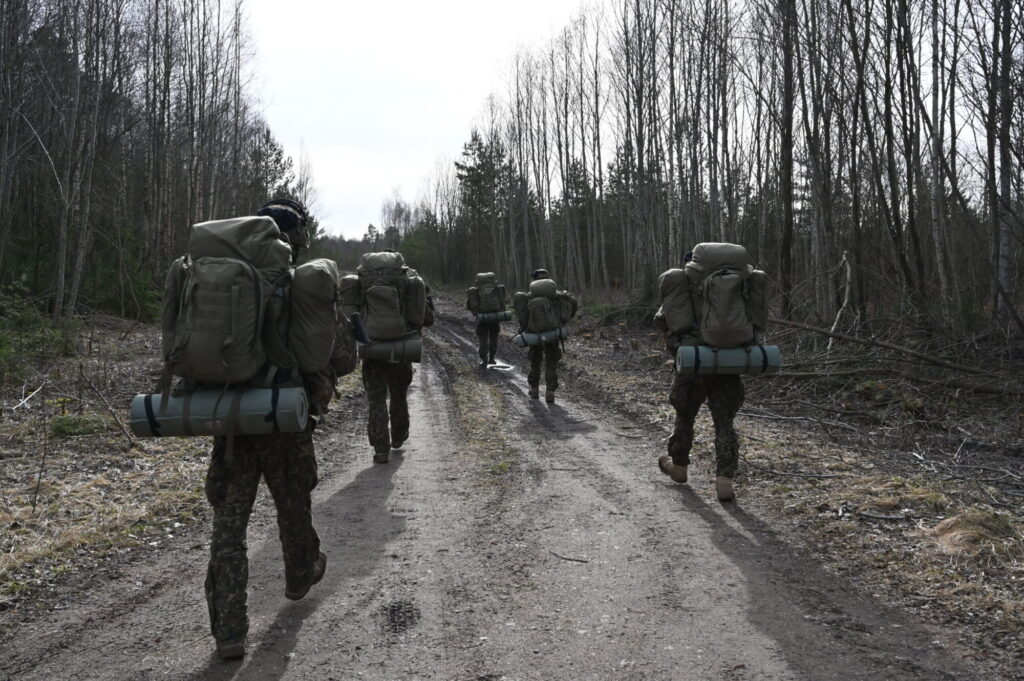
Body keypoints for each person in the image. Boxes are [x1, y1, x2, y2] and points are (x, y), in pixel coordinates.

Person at [204, 199, 357, 659]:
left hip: (229, 420)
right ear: (297, 239)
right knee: (292, 505)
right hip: (285, 421)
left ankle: (229, 631)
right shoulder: (304, 286)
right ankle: (299, 575)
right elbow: (344, 357)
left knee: (229, 527)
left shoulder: (217, 282)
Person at [655, 250, 745, 502]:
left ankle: (680, 468)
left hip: (694, 363)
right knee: (725, 422)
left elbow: (662, 321)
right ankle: (724, 480)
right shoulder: (734, 285)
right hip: (729, 361)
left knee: (685, 417)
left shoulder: (683, 288)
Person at [358, 251, 434, 464]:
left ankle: (380, 449)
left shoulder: (365, 281)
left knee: (376, 400)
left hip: (372, 348)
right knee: (399, 394)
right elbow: (426, 319)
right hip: (401, 348)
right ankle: (398, 437)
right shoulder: (409, 282)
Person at [525, 268, 562, 404]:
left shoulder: (530, 297)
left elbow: (523, 317)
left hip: (535, 334)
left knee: (535, 362)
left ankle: (534, 389)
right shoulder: (556, 296)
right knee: (551, 363)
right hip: (552, 335)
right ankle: (550, 391)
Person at [466, 272, 507, 366]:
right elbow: (502, 303)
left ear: (478, 282)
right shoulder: (496, 290)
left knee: (483, 340)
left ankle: (484, 359)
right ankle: (492, 358)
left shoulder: (475, 291)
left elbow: (469, 306)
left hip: (482, 319)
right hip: (495, 318)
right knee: (494, 338)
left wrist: (476, 311)